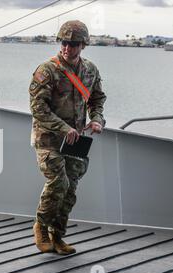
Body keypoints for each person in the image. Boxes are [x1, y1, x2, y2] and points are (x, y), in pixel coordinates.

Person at [29, 20, 106, 255]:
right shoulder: (46, 71)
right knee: (58, 182)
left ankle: (58, 235)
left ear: (83, 45)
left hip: (75, 140)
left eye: (72, 44)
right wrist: (63, 127)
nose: (67, 48)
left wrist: (97, 119)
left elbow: (97, 99)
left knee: (71, 188)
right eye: (64, 43)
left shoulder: (90, 70)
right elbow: (38, 108)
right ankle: (41, 227)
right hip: (48, 138)